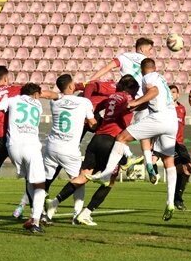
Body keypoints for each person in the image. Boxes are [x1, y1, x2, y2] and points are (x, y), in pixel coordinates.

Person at [0, 65, 57, 228]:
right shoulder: (16, 90)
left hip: (0, 139)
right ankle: (38, 215)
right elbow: (43, 94)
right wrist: (59, 96)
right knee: (32, 178)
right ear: (6, 78)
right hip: (20, 138)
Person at [91, 57, 180, 221]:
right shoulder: (162, 79)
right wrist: (136, 105)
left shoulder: (148, 77)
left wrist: (135, 102)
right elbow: (151, 101)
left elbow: (154, 92)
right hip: (172, 121)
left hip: (159, 118)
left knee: (121, 137)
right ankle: (170, 202)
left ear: (142, 68)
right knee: (169, 161)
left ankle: (106, 174)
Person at [49, 74, 140, 226]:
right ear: (130, 89)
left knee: (83, 176)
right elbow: (125, 122)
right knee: (109, 182)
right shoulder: (127, 99)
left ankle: (54, 202)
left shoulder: (111, 97)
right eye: (135, 91)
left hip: (97, 139)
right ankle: (86, 213)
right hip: (111, 142)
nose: (135, 94)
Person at [88, 37, 160, 184]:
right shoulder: (147, 64)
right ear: (141, 48)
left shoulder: (124, 56)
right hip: (143, 101)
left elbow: (106, 68)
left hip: (127, 101)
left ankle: (127, 157)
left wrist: (90, 80)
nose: (150, 52)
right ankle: (148, 164)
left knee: (120, 132)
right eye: (149, 49)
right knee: (144, 136)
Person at [0, 82, 49, 234]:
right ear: (36, 95)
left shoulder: (13, 100)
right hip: (31, 146)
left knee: (31, 181)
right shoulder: (38, 105)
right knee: (40, 185)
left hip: (13, 148)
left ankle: (33, 217)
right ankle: (36, 221)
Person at [41, 73, 97, 224]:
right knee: (79, 181)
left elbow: (54, 95)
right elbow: (92, 124)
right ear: (72, 86)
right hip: (70, 149)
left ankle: (40, 213)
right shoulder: (84, 102)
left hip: (51, 147)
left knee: (45, 181)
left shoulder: (55, 102)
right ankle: (77, 215)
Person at [168, 84, 191, 210]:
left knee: (187, 169)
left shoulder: (182, 109)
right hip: (169, 143)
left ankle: (177, 197)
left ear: (177, 94)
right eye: (169, 92)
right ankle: (176, 199)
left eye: (173, 92)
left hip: (179, 143)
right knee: (180, 169)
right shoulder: (164, 108)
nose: (171, 94)